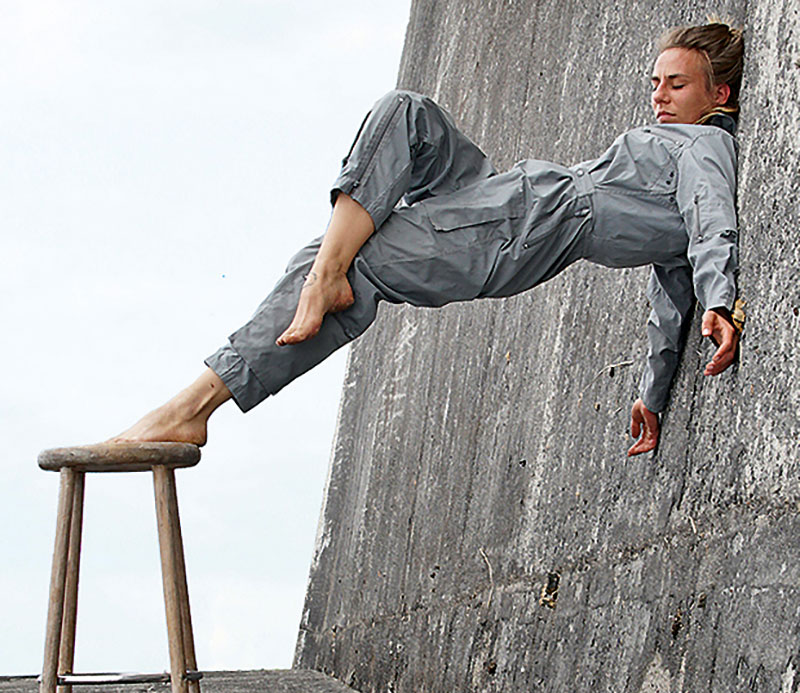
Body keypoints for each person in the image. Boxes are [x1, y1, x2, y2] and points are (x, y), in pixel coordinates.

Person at [113, 22, 744, 458]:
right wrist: (653, 394)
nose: (658, 96)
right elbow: (673, 283)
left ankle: (195, 404)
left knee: (358, 269)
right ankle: (322, 273)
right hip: (503, 195)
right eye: (655, 83)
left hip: (520, 227)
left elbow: (710, 226)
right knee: (406, 110)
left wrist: (718, 304)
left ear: (719, 95)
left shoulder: (706, 146)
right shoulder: (670, 153)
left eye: (677, 85)